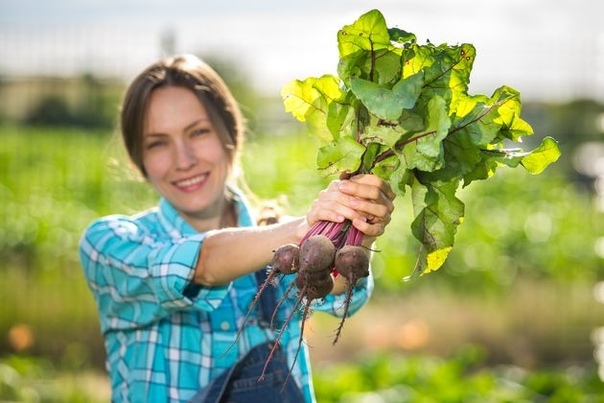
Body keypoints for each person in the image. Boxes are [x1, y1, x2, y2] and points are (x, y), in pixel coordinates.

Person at [78, 53, 396, 403]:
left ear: (231, 134)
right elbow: (205, 262)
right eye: (158, 143)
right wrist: (304, 229)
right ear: (139, 158)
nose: (183, 160)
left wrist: (358, 226)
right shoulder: (111, 244)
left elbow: (340, 294)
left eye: (198, 132)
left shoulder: (276, 231)